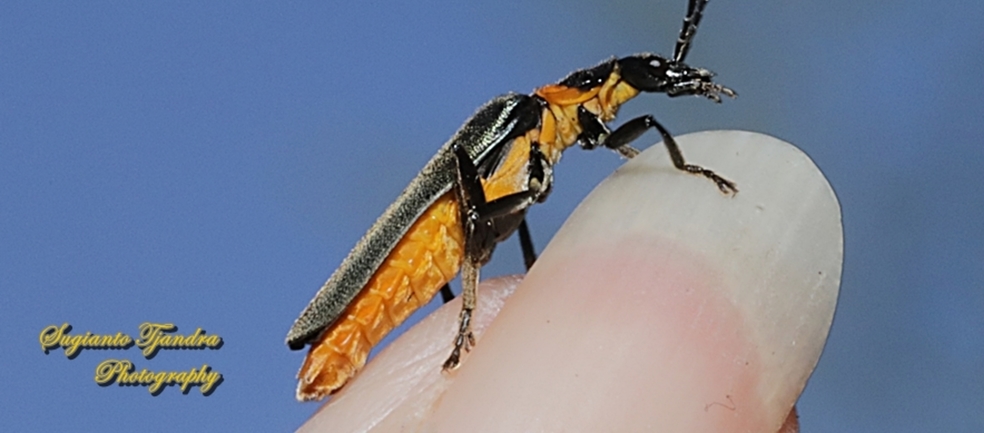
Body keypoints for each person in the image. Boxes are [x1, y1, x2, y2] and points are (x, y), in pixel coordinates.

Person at [295, 131, 841, 433]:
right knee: (484, 223)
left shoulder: (540, 143)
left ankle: (466, 316)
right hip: (432, 232)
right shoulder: (529, 116)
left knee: (501, 220)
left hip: (454, 233)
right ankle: (463, 319)